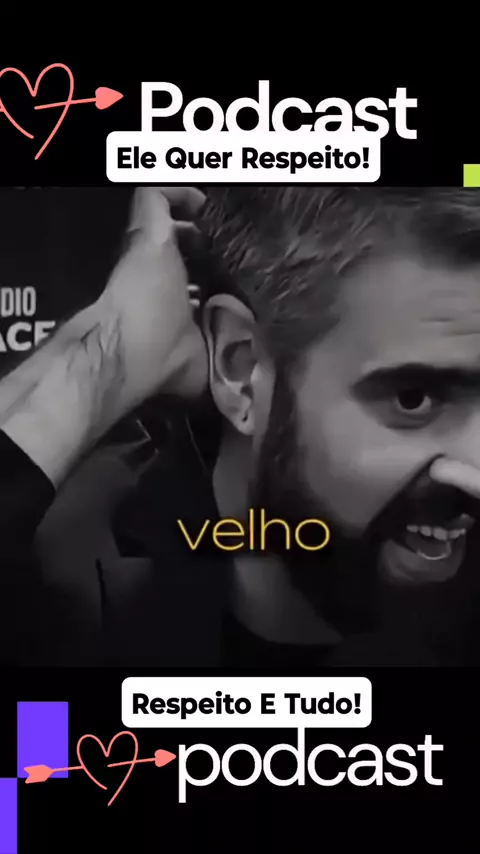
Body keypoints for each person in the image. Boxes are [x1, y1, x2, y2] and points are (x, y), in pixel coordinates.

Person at [3, 185, 480, 667]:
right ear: (241, 370)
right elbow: (40, 726)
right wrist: (104, 352)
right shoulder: (63, 588)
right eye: (413, 399)